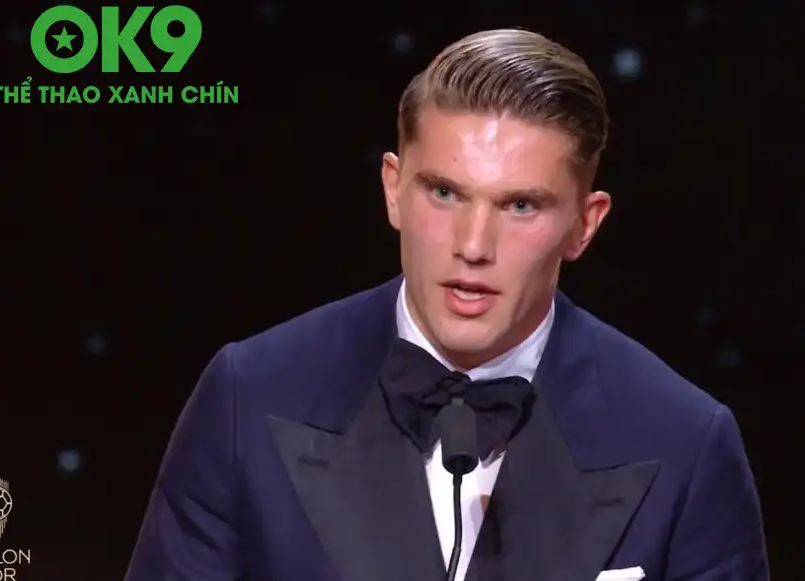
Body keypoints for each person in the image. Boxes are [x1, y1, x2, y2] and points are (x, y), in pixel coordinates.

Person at [126, 29, 768, 581]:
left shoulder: (685, 442)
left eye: (521, 205)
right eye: (444, 193)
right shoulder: (249, 394)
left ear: (584, 224)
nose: (472, 245)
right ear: (393, 189)